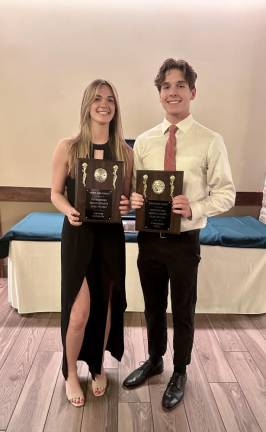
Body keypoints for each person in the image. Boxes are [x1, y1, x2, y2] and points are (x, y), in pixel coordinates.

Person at [123, 59, 235, 410]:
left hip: (185, 241)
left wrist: (195, 208)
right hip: (149, 239)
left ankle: (180, 369)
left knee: (183, 308)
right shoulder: (143, 142)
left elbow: (227, 194)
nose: (173, 92)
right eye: (166, 86)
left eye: (180, 85)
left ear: (192, 92)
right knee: (153, 305)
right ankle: (155, 359)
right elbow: (135, 189)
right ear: (159, 95)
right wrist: (136, 199)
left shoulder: (210, 141)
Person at [51, 79, 133, 407]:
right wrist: (69, 209)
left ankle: (98, 365)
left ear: (116, 107)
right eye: (98, 98)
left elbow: (124, 199)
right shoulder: (68, 147)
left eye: (110, 99)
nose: (104, 104)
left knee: (106, 306)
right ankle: (71, 372)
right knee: (79, 312)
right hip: (78, 234)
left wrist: (126, 206)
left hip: (111, 237)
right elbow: (55, 193)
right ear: (87, 104)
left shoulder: (124, 152)